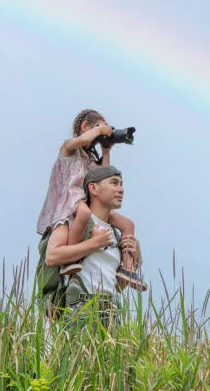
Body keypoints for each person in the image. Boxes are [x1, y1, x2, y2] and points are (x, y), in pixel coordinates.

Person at [37, 109, 146, 290]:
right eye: (97, 126)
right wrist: (99, 130)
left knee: (128, 225)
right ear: (84, 127)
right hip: (72, 198)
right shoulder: (69, 147)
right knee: (84, 213)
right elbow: (85, 140)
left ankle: (127, 269)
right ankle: (71, 262)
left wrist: (106, 149)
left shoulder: (91, 159)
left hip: (87, 200)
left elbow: (103, 176)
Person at [45, 165, 142, 328]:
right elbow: (52, 257)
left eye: (121, 184)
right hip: (80, 311)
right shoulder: (69, 222)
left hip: (110, 315)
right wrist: (94, 243)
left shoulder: (116, 233)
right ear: (93, 188)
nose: (121, 189)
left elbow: (119, 287)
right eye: (114, 183)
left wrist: (136, 259)